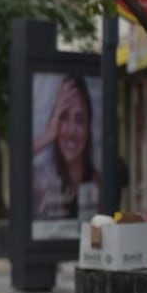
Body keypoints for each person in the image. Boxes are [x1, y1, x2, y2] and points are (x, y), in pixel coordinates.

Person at [32, 74, 100, 220]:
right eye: (63, 118)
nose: (71, 131)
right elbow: (18, 166)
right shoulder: (42, 178)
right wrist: (49, 134)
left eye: (80, 120)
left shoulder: (99, 183)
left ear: (89, 127)